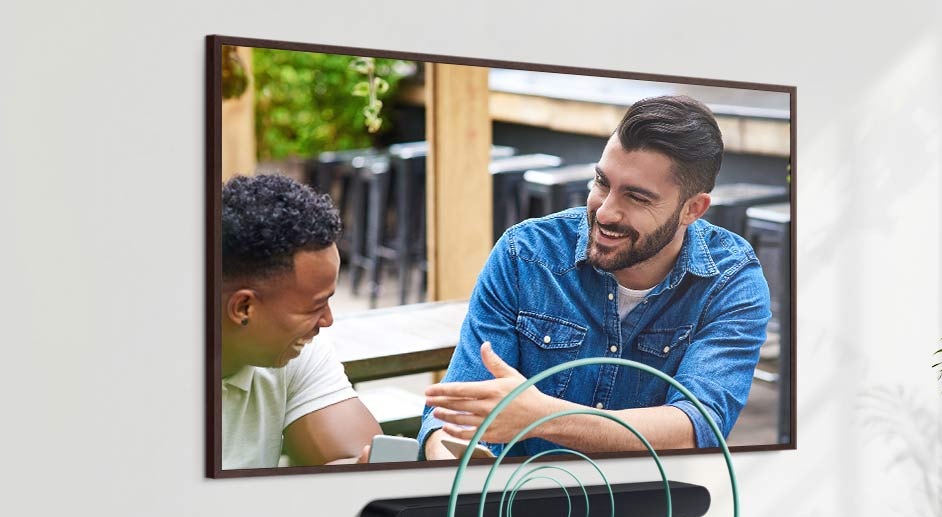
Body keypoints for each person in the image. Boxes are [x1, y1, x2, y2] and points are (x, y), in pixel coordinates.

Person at [420, 95, 771, 460]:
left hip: (654, 506)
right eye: (602, 182)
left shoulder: (729, 281)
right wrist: (451, 463)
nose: (605, 212)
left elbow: (697, 429)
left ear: (692, 209)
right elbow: (457, 415)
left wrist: (544, 418)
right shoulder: (525, 255)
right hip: (514, 505)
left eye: (636, 197)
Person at [219, 174, 382, 469]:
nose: (328, 321)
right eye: (316, 306)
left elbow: (362, 457)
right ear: (244, 307)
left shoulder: (294, 350)